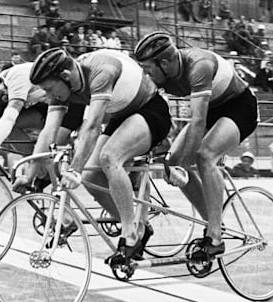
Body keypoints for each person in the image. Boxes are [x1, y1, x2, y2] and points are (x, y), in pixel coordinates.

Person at [18, 47, 172, 265]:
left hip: (151, 110)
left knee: (109, 157)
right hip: (122, 115)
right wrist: (29, 174)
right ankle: (138, 226)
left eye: (50, 90)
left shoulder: (101, 70)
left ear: (65, 76)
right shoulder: (64, 84)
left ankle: (130, 236)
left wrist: (74, 169)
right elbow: (48, 132)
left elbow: (92, 127)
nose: (49, 97)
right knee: (91, 177)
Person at [133, 32, 258, 259]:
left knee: (205, 156)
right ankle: (214, 223)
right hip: (210, 110)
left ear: (164, 63)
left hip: (239, 107)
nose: (146, 73)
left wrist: (183, 165)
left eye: (148, 68)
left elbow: (198, 121)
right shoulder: (161, 73)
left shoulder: (199, 65)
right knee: (171, 163)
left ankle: (215, 237)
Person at [0, 62, 84, 166]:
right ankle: (32, 162)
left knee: (45, 153)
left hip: (67, 100)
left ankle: (52, 172)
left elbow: (9, 117)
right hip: (45, 102)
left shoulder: (17, 82)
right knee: (30, 151)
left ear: (6, 98)